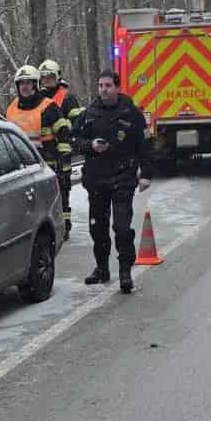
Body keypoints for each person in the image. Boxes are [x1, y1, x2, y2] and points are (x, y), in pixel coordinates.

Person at [73, 69, 150, 293]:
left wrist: (146, 173)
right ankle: (102, 268)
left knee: (122, 228)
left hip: (122, 178)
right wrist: (90, 146)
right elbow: (75, 139)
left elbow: (145, 145)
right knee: (97, 228)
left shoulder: (131, 113)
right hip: (97, 179)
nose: (103, 90)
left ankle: (125, 272)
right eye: (100, 86)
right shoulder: (89, 113)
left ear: (117, 87)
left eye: (108, 86)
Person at [4, 66, 74, 235]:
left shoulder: (48, 107)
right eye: (21, 83)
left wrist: (63, 165)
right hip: (20, 167)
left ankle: (63, 227)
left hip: (47, 164)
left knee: (55, 201)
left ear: (35, 84)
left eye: (28, 83)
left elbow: (63, 136)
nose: (24, 87)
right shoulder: (11, 109)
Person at [38, 59, 81, 238]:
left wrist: (65, 137)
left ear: (58, 78)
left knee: (63, 190)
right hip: (43, 153)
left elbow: (77, 124)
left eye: (50, 77)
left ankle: (65, 225)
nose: (47, 80)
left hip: (63, 152)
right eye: (44, 77)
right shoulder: (39, 98)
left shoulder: (67, 98)